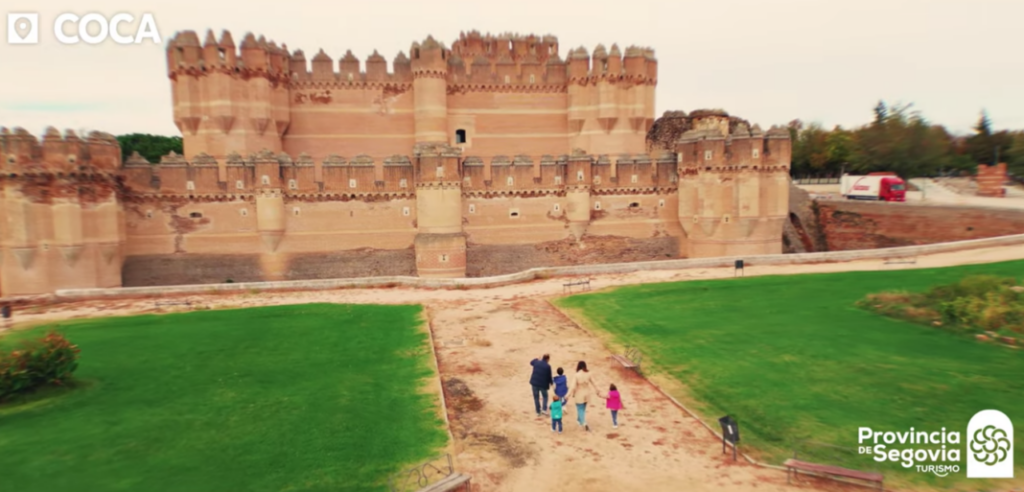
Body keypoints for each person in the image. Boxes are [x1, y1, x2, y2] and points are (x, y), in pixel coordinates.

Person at [569, 360, 599, 431]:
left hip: (579, 394)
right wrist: (598, 390)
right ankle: (579, 420)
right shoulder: (589, 373)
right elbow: (594, 383)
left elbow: (573, 386)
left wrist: (568, 395)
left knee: (580, 408)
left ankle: (584, 423)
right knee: (583, 408)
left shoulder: (576, 375)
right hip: (587, 393)